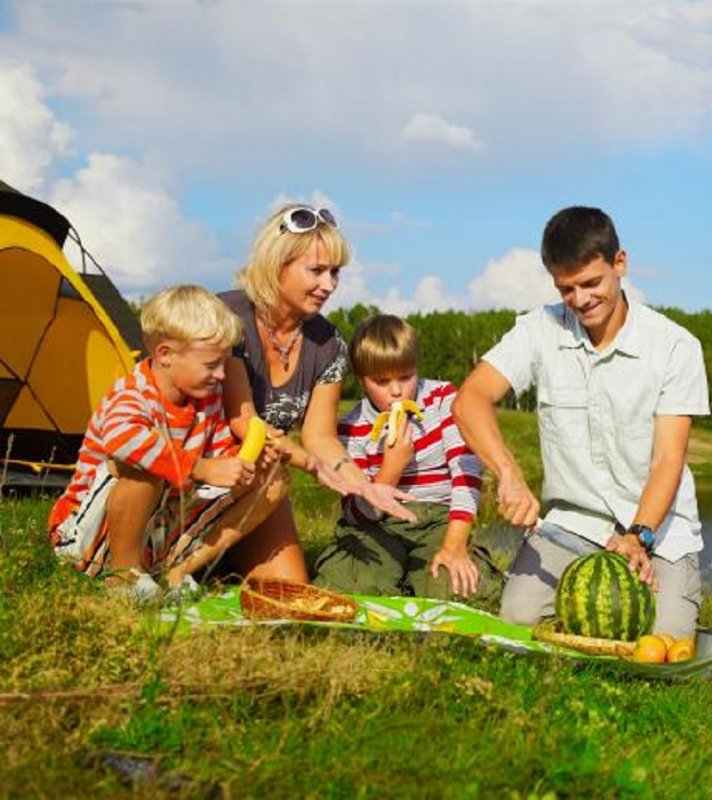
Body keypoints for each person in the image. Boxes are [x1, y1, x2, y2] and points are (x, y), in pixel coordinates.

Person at [453, 206, 709, 639]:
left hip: (658, 531)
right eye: (566, 289)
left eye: (592, 284)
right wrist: (509, 475)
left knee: (665, 642)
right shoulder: (540, 330)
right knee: (516, 623)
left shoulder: (675, 347)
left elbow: (668, 459)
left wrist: (637, 536)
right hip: (572, 525)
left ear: (620, 263)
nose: (580, 300)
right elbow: (470, 400)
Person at [49, 285, 289, 604]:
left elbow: (220, 461)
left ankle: (175, 569)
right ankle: (123, 578)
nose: (221, 375)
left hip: (157, 531)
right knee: (142, 461)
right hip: (86, 534)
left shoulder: (206, 401)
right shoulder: (133, 394)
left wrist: (243, 465)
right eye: (210, 365)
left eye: (224, 363)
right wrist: (202, 468)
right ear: (165, 355)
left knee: (274, 478)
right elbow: (124, 442)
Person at [220, 204, 414, 584]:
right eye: (317, 271)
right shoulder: (227, 317)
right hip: (203, 469)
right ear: (277, 263)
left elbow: (319, 436)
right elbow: (244, 421)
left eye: (335, 272)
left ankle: (223, 557)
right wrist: (312, 466)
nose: (329, 285)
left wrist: (361, 485)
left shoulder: (330, 345)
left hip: (260, 481)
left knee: (289, 589)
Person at [313, 314, 502, 604]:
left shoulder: (443, 399)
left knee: (458, 589)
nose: (397, 391)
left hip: (439, 520)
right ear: (362, 380)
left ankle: (426, 581)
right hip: (378, 525)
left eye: (406, 376)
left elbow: (467, 474)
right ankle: (394, 582)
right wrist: (391, 469)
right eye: (381, 381)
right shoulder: (351, 428)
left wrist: (454, 544)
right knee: (348, 584)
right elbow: (354, 512)